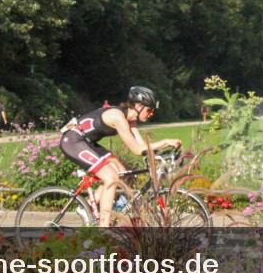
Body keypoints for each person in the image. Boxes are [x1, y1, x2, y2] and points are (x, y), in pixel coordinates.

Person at [60, 86, 181, 227]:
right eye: (149, 110)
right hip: (74, 141)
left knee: (122, 173)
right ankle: (103, 228)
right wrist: (165, 141)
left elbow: (143, 146)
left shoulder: (131, 120)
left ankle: (86, 207)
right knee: (111, 177)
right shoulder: (118, 118)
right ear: (138, 106)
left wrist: (158, 157)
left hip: (87, 141)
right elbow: (136, 150)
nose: (151, 113)